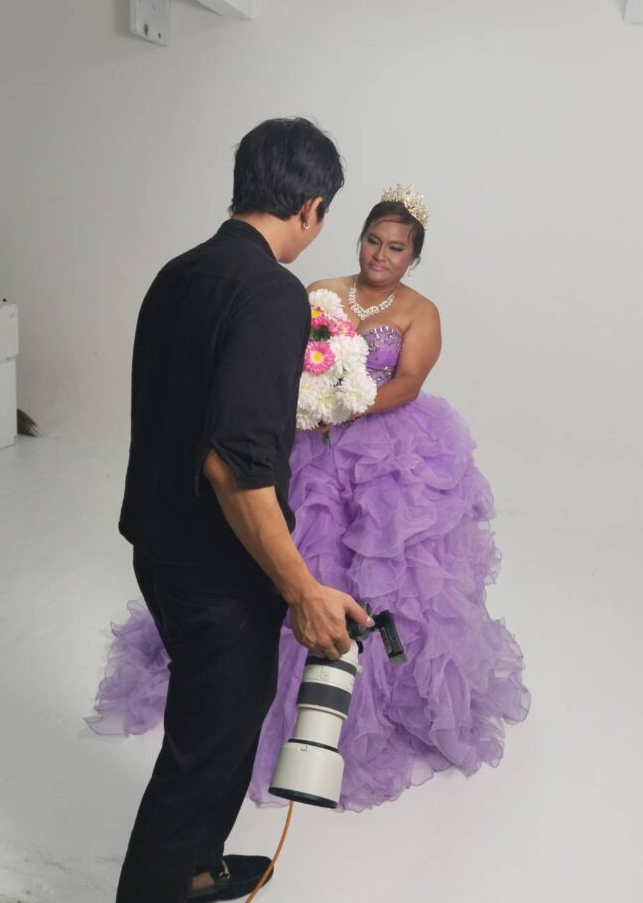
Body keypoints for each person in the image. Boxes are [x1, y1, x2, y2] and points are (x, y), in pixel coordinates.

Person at [91, 184, 530, 819]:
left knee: (387, 567)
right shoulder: (318, 290)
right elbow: (276, 363)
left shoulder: (421, 312)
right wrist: (311, 403)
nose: (380, 255)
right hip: (308, 440)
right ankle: (264, 678)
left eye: (396, 248)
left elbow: (408, 384)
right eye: (372, 241)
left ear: (414, 257)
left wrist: (346, 406)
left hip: (385, 450)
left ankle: (376, 696)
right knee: (296, 546)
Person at [112, 117, 373, 903]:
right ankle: (159, 884)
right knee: (203, 752)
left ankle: (196, 869)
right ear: (311, 208)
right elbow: (234, 463)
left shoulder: (178, 272)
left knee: (227, 719)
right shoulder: (270, 293)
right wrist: (302, 590)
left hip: (159, 545)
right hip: (216, 569)